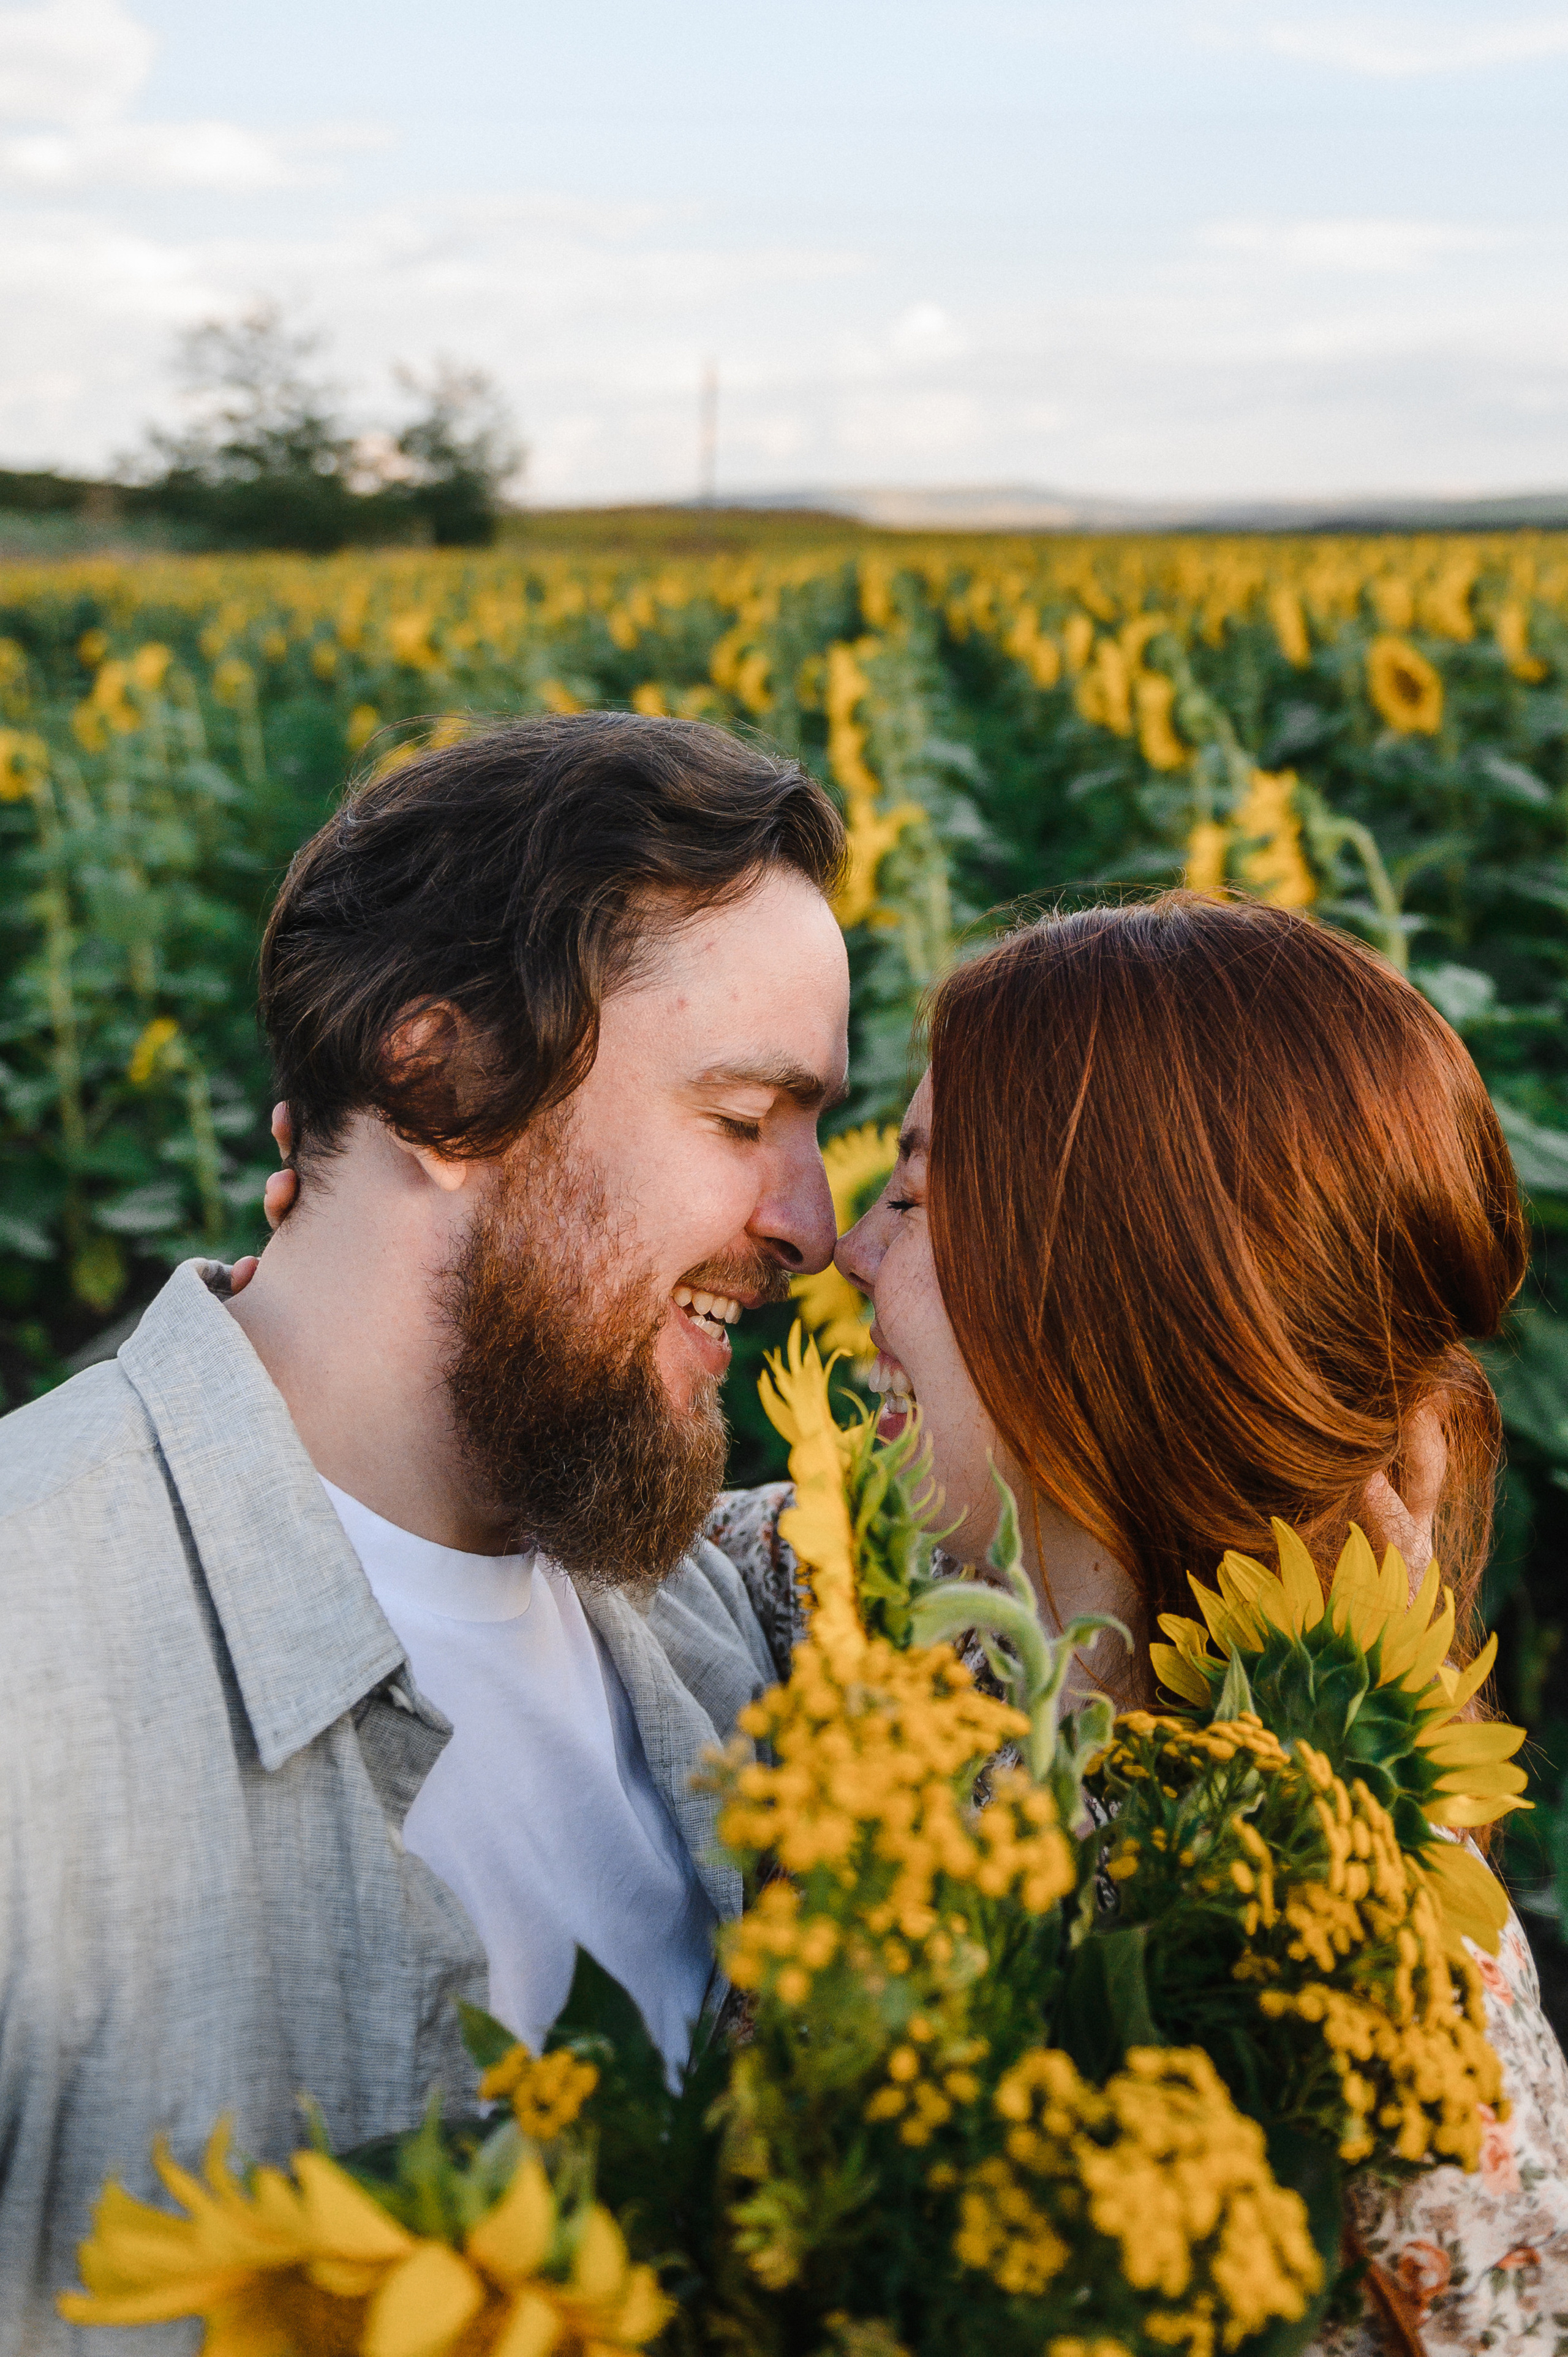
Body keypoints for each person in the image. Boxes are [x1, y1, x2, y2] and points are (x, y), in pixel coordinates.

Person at [0, 713, 850, 2349]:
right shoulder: (39, 1675)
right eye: (747, 1122)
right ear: (448, 1082)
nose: (807, 1222)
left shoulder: (719, 1626)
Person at [815, 894, 1564, 2357]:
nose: (841, 1250)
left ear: (1098, 1285)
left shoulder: (1368, 1993)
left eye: (911, 1199)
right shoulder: (864, 1625)